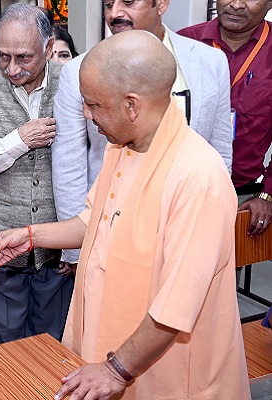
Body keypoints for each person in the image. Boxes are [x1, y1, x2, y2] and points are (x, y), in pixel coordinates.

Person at [0, 31, 250, 400]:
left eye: (93, 105)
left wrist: (115, 369)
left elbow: (175, 306)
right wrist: (30, 236)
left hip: (164, 370)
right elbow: (94, 222)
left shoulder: (196, 177)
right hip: (111, 348)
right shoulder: (122, 147)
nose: (87, 116)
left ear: (132, 106)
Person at [51, 0, 233, 276]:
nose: (114, 14)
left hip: (188, 225)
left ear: (161, 3)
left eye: (127, 2)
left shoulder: (209, 62)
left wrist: (216, 224)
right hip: (111, 227)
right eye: (109, 4)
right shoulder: (78, 71)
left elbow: (220, 149)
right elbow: (69, 163)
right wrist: (77, 251)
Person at [0, 3, 69, 344]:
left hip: (57, 246)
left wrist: (75, 245)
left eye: (24, 57)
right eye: (4, 56)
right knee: (8, 347)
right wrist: (16, 142)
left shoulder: (72, 83)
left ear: (49, 48)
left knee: (54, 343)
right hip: (0, 247)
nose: (12, 67)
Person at [178, 0, 272, 238]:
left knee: (224, 273)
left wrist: (267, 194)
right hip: (176, 190)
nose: (237, 4)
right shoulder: (184, 43)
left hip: (241, 195)